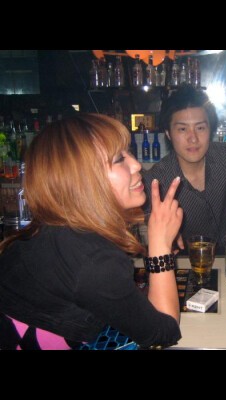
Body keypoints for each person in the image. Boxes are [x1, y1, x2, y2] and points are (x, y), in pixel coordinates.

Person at [0, 113, 183, 350]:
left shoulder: (56, 231)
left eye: (128, 152)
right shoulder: (93, 259)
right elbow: (164, 333)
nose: (136, 165)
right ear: (82, 180)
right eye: (119, 159)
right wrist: (160, 245)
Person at [142, 85, 226, 255]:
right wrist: (166, 236)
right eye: (182, 129)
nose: (193, 138)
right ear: (168, 133)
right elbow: (151, 226)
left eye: (200, 128)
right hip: (183, 260)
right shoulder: (157, 179)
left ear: (210, 129)